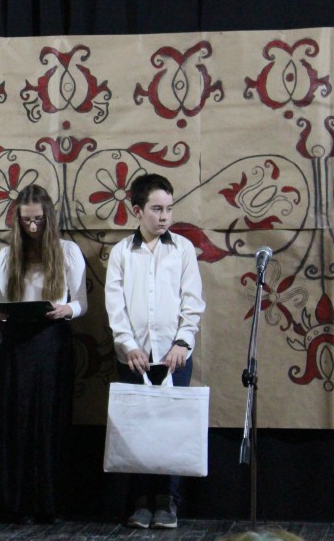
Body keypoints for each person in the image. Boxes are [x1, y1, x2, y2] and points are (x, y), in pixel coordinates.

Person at [105, 173, 205, 530]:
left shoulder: (182, 249)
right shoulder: (122, 252)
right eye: (157, 209)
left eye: (169, 209)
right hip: (135, 357)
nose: (164, 217)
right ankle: (140, 501)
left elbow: (192, 301)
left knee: (170, 429)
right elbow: (115, 305)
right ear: (137, 210)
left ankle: (167, 501)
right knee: (137, 430)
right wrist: (128, 345)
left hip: (172, 356)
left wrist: (182, 342)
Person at [0, 184, 87, 524]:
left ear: (49, 218)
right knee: (17, 420)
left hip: (52, 340)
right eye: (26, 220)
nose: (33, 227)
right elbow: (1, 306)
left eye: (38, 220)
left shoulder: (68, 251)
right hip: (17, 343)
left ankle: (49, 501)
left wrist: (67, 310)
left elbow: (82, 302)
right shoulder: (8, 255)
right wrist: (2, 312)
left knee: (49, 420)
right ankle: (17, 503)